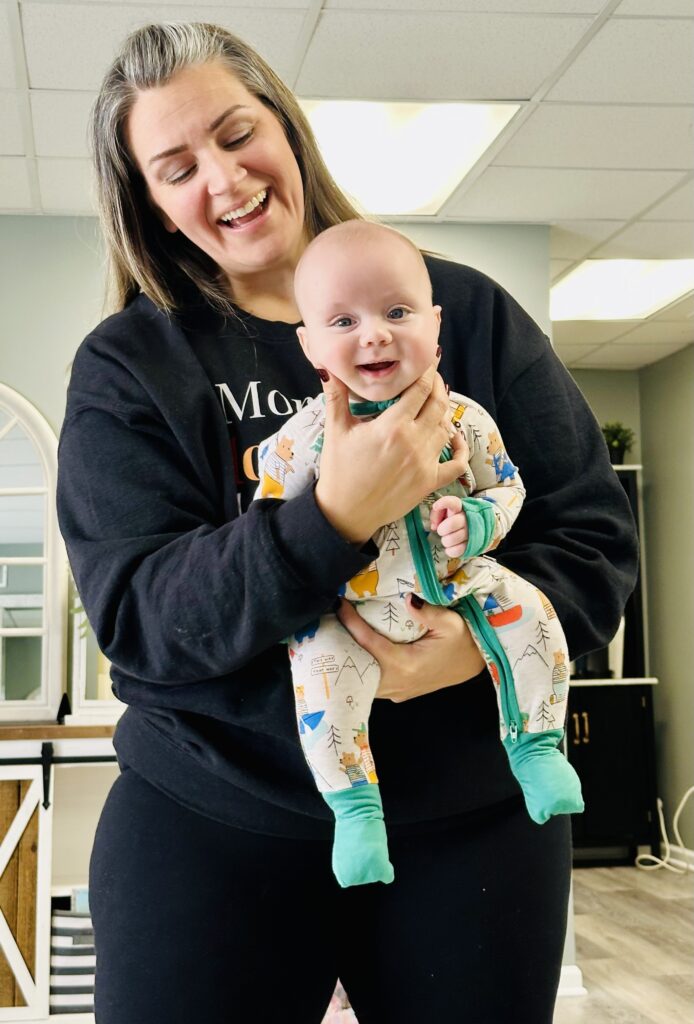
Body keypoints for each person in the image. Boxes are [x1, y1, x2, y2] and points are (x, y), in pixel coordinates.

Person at [56, 21, 638, 1024]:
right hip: (213, 823)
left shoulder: (459, 306)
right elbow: (142, 618)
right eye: (177, 166)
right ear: (148, 202)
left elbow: (592, 537)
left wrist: (465, 652)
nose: (225, 180)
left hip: (470, 830)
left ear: (286, 127)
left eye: (238, 134)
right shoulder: (131, 364)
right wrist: (330, 516)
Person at [255, 220, 583, 888]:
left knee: (533, 612)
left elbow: (508, 487)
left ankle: (537, 746)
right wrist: (328, 505)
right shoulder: (308, 437)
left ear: (435, 326)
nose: (374, 333)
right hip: (351, 607)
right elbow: (266, 523)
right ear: (310, 344)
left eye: (397, 312)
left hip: (461, 585)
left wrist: (479, 521)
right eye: (343, 321)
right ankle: (355, 810)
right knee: (318, 676)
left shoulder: (465, 419)